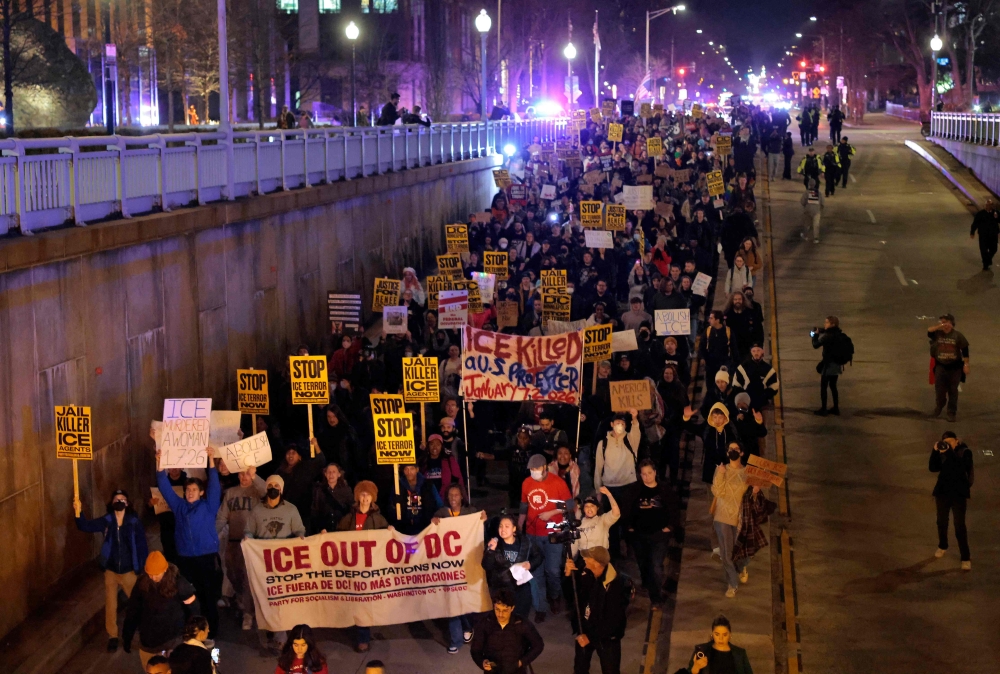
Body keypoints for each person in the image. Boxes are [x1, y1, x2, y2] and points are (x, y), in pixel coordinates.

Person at [74, 488, 148, 652]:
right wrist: (78, 511)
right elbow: (85, 526)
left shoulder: (134, 522)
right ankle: (113, 636)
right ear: (112, 503)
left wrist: (142, 567)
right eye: (116, 499)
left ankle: (145, 631)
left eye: (122, 499)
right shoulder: (107, 521)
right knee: (110, 605)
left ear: (127, 503)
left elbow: (142, 545)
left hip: (129, 571)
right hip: (111, 571)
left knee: (137, 603)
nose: (119, 501)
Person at [156, 455, 223, 637]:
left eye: (194, 489)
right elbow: (164, 487)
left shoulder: (209, 505)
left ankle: (211, 632)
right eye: (188, 490)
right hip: (185, 559)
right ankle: (191, 629)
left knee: (208, 596)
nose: (190, 492)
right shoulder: (179, 507)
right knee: (188, 596)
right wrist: (160, 463)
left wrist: (211, 461)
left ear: (201, 492)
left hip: (206, 558)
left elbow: (215, 485)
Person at [433, 484, 487, 653]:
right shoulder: (441, 513)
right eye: (451, 495)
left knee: (464, 600)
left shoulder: (471, 512)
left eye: (456, 495)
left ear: (462, 497)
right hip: (449, 566)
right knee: (452, 602)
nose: (454, 498)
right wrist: (433, 522)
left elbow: (480, 528)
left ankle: (468, 627)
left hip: (466, 565)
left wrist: (483, 518)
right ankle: (455, 640)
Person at [122, 551, 199, 669]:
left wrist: (192, 634)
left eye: (157, 574)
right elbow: (133, 610)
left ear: (165, 570)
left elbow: (194, 609)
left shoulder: (178, 583)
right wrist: (127, 635)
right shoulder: (142, 583)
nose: (153, 577)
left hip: (173, 639)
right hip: (149, 641)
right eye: (150, 574)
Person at [336, 481, 389, 652]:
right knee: (357, 602)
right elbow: (337, 537)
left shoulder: (379, 519)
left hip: (370, 569)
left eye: (368, 495)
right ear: (357, 497)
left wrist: (390, 531)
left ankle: (363, 637)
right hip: (352, 568)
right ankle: (360, 633)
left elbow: (386, 543)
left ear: (373, 498)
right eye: (362, 494)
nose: (365, 498)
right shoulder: (349, 518)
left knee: (364, 603)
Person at [519, 454, 571, 622]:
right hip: (532, 534)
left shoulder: (558, 483)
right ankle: (541, 606)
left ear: (545, 468)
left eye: (536, 469)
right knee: (537, 573)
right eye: (532, 470)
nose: (534, 472)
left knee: (553, 570)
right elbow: (523, 506)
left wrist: (552, 512)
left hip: (553, 533)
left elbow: (570, 505)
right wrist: (520, 525)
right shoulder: (526, 483)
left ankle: (555, 596)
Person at [215, 466, 266, 630]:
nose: (244, 477)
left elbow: (267, 491)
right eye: (242, 474)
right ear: (237, 475)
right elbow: (222, 517)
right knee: (232, 572)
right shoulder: (230, 493)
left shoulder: (256, 491)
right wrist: (211, 534)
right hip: (234, 541)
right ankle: (242, 600)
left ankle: (248, 614)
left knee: (247, 578)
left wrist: (254, 475)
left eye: (247, 474)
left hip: (251, 543)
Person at [565, 547, 630, 674]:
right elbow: (571, 596)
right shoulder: (586, 573)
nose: (584, 559)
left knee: (610, 670)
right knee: (579, 669)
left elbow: (614, 622)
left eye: (587, 558)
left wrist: (590, 638)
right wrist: (568, 575)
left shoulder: (615, 585)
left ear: (596, 563)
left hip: (606, 638)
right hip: (585, 630)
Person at [626, 461, 677, 605]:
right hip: (639, 534)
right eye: (643, 474)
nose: (647, 476)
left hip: (659, 535)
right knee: (643, 562)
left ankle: (656, 596)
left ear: (655, 472)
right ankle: (647, 582)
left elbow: (673, 509)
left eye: (649, 473)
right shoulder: (634, 490)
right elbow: (627, 509)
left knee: (656, 565)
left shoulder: (664, 490)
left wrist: (670, 527)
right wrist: (630, 527)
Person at [470, 588, 545, 674]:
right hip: (493, 671)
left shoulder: (522, 624)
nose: (500, 614)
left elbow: (538, 645)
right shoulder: (485, 623)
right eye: (497, 609)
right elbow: (475, 650)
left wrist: (521, 662)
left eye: (505, 610)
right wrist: (482, 662)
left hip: (516, 670)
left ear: (512, 608)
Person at [483, 514, 544, 619]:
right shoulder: (494, 544)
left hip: (521, 588)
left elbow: (538, 556)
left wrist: (530, 564)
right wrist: (490, 551)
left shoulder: (525, 542)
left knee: (520, 619)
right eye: (501, 526)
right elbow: (486, 566)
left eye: (507, 526)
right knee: (504, 619)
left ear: (514, 528)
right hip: (501, 588)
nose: (503, 529)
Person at [930, 431, 974, 570]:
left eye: (950, 441)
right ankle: (943, 545)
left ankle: (965, 557)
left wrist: (947, 452)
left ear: (957, 441)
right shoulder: (943, 452)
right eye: (946, 442)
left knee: (959, 525)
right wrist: (934, 451)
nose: (948, 444)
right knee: (941, 522)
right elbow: (932, 468)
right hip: (943, 492)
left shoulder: (965, 452)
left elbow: (960, 467)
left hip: (959, 494)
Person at [712, 443, 748, 597]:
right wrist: (720, 473)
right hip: (723, 517)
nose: (733, 451)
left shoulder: (747, 472)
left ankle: (741, 567)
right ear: (727, 453)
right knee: (727, 553)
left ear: (742, 452)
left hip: (741, 518)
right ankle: (732, 584)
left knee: (743, 552)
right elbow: (717, 491)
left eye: (736, 449)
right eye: (730, 449)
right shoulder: (722, 469)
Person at [927, 314, 969, 422]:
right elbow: (929, 331)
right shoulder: (937, 334)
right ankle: (939, 406)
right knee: (939, 390)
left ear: (952, 324)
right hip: (940, 366)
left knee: (953, 391)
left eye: (947, 322)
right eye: (943, 322)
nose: (945, 325)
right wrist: (939, 326)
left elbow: (965, 351)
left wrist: (966, 365)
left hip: (955, 367)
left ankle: (951, 412)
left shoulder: (957, 335)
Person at [687, 616, 754, 674]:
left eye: (724, 635)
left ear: (730, 635)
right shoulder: (702, 651)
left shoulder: (739, 654)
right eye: (717, 634)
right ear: (712, 634)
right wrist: (695, 668)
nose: (721, 638)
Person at [811, 316, 847, 416]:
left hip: (828, 364)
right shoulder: (838, 333)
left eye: (827, 323)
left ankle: (823, 409)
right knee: (833, 386)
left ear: (832, 324)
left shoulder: (828, 336)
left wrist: (815, 335)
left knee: (823, 386)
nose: (824, 324)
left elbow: (815, 345)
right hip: (836, 364)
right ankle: (836, 408)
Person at [394, 463, 443, 534]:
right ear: (403, 471)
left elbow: (439, 504)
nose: (409, 472)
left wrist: (436, 516)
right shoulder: (398, 486)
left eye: (412, 469)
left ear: (417, 469)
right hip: (404, 528)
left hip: (426, 526)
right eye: (406, 469)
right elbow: (391, 508)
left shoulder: (428, 485)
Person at [573, 486, 621, 554]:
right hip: (585, 559)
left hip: (600, 558)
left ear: (597, 508)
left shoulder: (603, 520)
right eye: (587, 506)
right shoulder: (578, 524)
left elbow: (616, 513)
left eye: (592, 506)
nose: (589, 509)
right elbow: (574, 546)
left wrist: (609, 494)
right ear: (583, 509)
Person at [310, 462, 353, 534]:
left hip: (342, 530)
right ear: (325, 474)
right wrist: (320, 528)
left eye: (334, 472)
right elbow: (315, 512)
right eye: (329, 472)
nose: (331, 474)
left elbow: (351, 510)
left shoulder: (346, 490)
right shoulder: (319, 491)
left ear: (339, 474)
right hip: (325, 531)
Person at [733, 344, 779, 411]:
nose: (756, 353)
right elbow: (736, 384)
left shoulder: (769, 369)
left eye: (758, 350)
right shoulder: (742, 367)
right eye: (753, 351)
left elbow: (774, 386)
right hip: (746, 405)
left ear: (762, 352)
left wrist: (764, 396)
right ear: (751, 352)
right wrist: (744, 397)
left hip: (763, 405)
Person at [969, 198, 999, 270]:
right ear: (985, 205)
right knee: (983, 250)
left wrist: (997, 217)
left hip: (993, 234)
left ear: (992, 206)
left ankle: (987, 259)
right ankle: (985, 264)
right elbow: (975, 223)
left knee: (994, 249)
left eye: (990, 205)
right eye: (987, 205)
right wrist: (972, 232)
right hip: (983, 235)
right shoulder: (981, 214)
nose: (988, 206)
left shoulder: (996, 213)